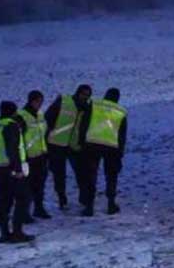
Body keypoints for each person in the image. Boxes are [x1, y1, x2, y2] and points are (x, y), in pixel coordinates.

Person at [0, 101, 35, 244]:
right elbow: (12, 149)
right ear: (14, 112)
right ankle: (17, 232)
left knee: (4, 200)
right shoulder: (11, 126)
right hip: (11, 168)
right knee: (23, 199)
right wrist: (18, 169)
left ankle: (4, 233)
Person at [77, 87, 128, 216]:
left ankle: (89, 207)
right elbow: (122, 135)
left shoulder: (94, 105)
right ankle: (111, 204)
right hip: (112, 147)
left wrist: (82, 141)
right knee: (111, 176)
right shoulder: (121, 111)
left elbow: (84, 124)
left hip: (92, 144)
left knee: (91, 176)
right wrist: (120, 153)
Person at [44, 84, 92, 210]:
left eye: (87, 95)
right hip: (56, 143)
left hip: (73, 145)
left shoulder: (86, 108)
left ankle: (83, 198)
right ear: (78, 93)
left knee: (81, 173)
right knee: (59, 174)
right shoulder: (64, 101)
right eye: (84, 94)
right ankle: (62, 199)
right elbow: (48, 117)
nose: (85, 97)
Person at [18, 90, 51, 220]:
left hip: (41, 155)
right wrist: (22, 157)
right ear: (31, 101)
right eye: (38, 101)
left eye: (41, 102)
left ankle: (39, 208)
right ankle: (24, 212)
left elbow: (43, 133)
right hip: (28, 157)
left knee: (40, 185)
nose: (40, 104)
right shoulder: (21, 116)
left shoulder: (40, 114)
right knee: (27, 186)